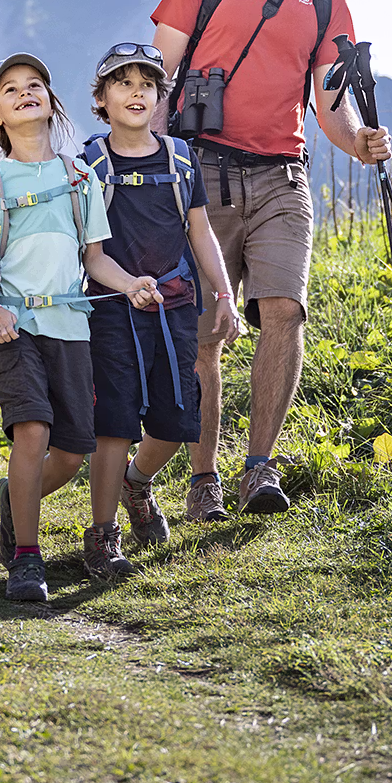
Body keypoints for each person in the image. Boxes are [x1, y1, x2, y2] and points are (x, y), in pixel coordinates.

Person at [149, 0, 391, 520]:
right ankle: (204, 480)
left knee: (283, 311)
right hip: (201, 173)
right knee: (204, 333)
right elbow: (153, 78)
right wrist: (146, 165)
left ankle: (260, 468)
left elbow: (331, 103)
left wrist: (358, 142)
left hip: (283, 177)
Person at [0, 53, 160, 605]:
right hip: (14, 327)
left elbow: (95, 258)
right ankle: (27, 557)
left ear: (52, 103)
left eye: (36, 85)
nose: (26, 93)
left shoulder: (80, 179)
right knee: (32, 432)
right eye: (10, 90)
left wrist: (130, 284)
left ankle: (12, 497)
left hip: (71, 325)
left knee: (71, 453)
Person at [80, 44, 241, 577]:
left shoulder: (178, 157)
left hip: (175, 308)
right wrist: (129, 286)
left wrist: (224, 293)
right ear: (101, 99)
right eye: (122, 84)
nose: (136, 93)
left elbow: (201, 232)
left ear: (160, 97)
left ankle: (136, 483)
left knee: (176, 421)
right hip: (112, 310)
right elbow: (91, 254)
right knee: (115, 425)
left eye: (146, 84)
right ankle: (103, 536)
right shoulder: (91, 163)